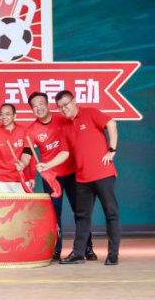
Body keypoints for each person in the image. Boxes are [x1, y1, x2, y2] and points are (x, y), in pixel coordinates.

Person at [45, 90, 120, 267]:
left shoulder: (90, 113)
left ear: (74, 101)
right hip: (82, 178)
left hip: (103, 173)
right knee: (81, 216)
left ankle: (113, 254)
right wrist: (47, 165)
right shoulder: (66, 127)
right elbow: (64, 153)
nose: (64, 109)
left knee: (111, 212)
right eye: (60, 107)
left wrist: (112, 149)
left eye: (66, 104)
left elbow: (111, 123)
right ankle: (78, 253)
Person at [21, 91, 95, 262]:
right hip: (50, 177)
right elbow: (26, 154)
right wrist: (22, 164)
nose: (38, 108)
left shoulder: (63, 119)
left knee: (80, 212)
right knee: (54, 215)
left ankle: (87, 248)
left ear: (48, 105)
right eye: (34, 106)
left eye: (41, 104)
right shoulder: (31, 130)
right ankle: (56, 249)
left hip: (72, 172)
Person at [0, 103, 27, 193]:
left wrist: (32, 177)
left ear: (15, 116)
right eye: (1, 114)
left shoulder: (24, 131)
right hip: (2, 180)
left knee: (24, 203)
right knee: (4, 203)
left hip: (22, 177)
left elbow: (29, 154)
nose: (4, 117)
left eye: (7, 114)